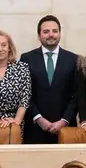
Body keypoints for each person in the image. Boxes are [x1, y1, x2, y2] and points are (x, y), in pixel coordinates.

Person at [21, 15, 78, 144]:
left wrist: (64, 121)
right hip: (35, 129)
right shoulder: (27, 58)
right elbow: (24, 93)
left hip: (66, 130)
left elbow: (76, 95)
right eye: (46, 31)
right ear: (39, 35)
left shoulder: (73, 59)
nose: (51, 35)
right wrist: (38, 118)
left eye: (55, 31)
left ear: (60, 33)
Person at [0, 30, 31, 138]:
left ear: (9, 48)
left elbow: (25, 97)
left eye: (4, 45)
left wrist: (16, 121)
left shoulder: (22, 68)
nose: (0, 49)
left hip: (16, 122)